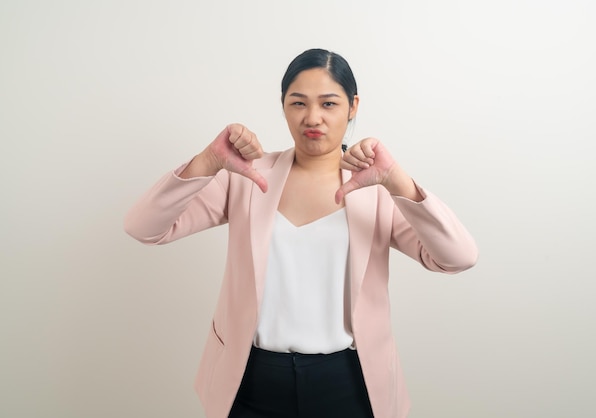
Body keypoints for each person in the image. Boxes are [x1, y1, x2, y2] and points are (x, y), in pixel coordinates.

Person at [124, 48, 478, 418]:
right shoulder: (247, 176)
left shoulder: (377, 189)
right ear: (283, 106)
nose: (313, 118)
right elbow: (143, 227)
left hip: (349, 383)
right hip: (250, 380)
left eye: (328, 104)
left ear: (353, 106)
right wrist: (208, 161)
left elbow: (459, 257)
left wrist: (399, 182)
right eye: (298, 103)